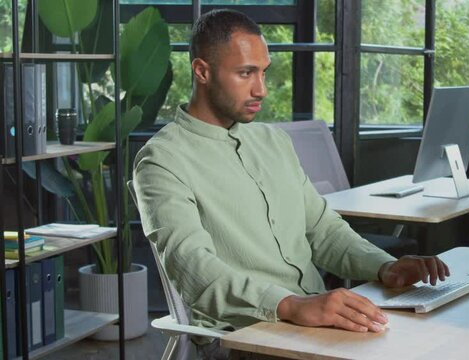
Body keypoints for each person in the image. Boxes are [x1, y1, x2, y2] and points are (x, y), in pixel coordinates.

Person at [133, 8, 450, 358]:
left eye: (263, 72)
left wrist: (384, 267)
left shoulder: (273, 141)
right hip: (246, 337)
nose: (261, 89)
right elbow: (193, 268)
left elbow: (324, 230)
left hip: (316, 328)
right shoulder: (162, 160)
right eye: (245, 73)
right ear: (202, 71)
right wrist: (291, 306)